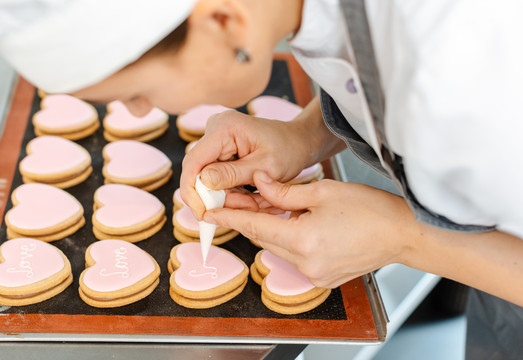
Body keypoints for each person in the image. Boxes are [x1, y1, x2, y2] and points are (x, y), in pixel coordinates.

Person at [1, 0, 522, 358]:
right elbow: (376, 64)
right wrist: (304, 135)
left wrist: (401, 238)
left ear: (227, 23)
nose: (138, 112)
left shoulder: (465, 65)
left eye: (138, 90)